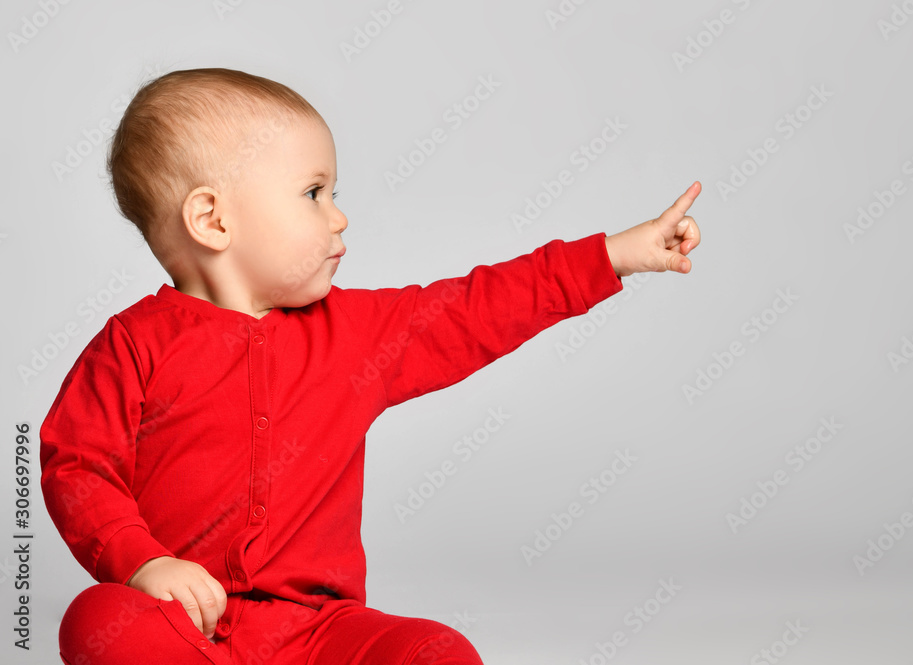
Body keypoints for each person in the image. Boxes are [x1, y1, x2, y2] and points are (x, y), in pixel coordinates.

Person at [39, 67, 702, 665]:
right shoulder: (133, 344)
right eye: (313, 193)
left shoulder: (355, 334)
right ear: (212, 219)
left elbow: (474, 310)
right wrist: (144, 561)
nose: (339, 216)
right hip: (188, 630)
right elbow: (77, 464)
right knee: (98, 620)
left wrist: (613, 254)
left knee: (437, 651)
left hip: (322, 633)